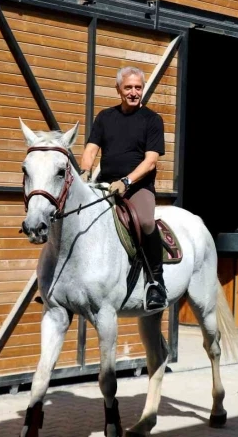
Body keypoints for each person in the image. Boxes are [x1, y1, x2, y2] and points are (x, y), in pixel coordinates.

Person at [79, 66, 168, 311]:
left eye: (138, 87)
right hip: (105, 185)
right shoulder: (105, 117)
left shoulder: (152, 120)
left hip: (138, 187)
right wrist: (84, 172)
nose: (133, 92)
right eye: (128, 87)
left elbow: (151, 162)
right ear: (118, 89)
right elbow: (91, 150)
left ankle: (155, 282)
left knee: (146, 222)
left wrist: (126, 181)